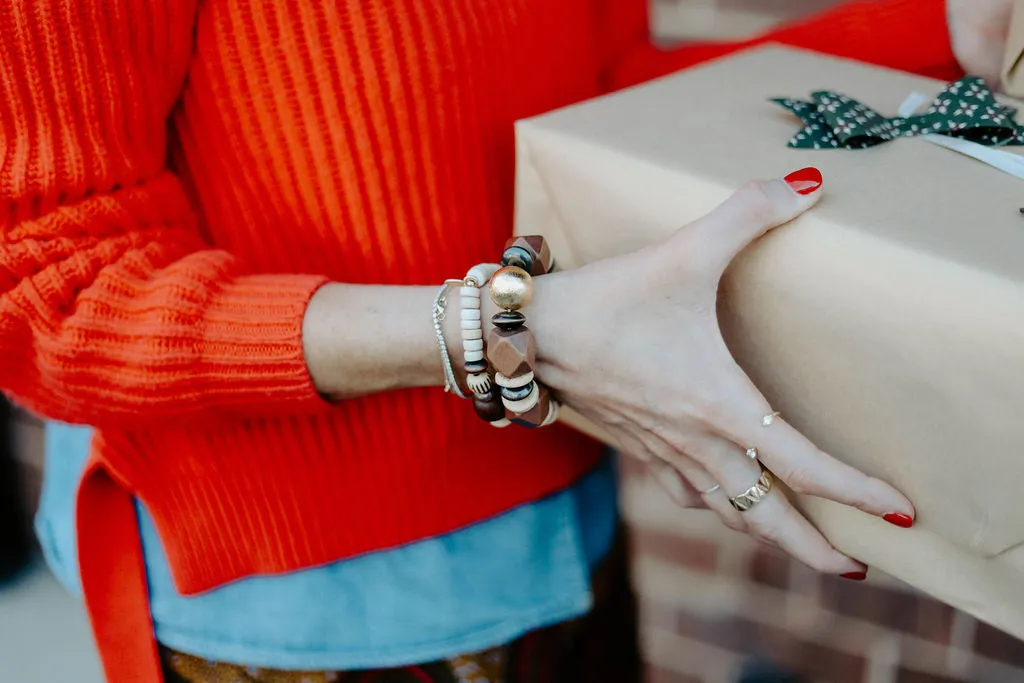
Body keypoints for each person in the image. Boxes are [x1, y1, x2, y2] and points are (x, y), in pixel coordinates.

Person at [2, 0, 1009, 681]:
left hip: (561, 507)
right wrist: (507, 328)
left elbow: (602, 85)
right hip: (303, 593)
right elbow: (51, 284)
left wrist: (941, 25)